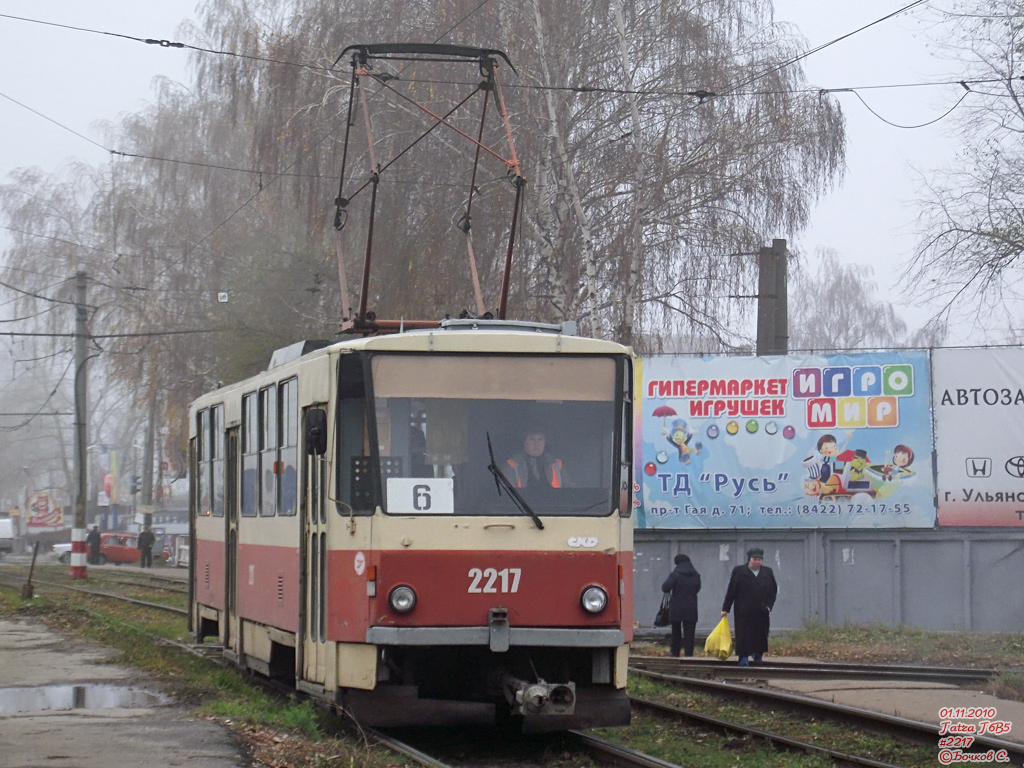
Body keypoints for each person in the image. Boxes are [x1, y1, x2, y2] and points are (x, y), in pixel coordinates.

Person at [721, 547, 778, 667]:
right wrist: (725, 608)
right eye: (755, 559)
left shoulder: (767, 572)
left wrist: (769, 606)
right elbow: (731, 591)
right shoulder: (739, 571)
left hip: (761, 611)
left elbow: (773, 591)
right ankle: (743, 659)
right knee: (744, 635)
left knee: (761, 635)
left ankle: (758, 656)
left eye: (759, 559)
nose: (757, 562)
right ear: (749, 560)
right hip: (743, 611)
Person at [661, 553, 701, 657]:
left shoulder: (676, 574)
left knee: (676, 631)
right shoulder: (696, 575)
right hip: (691, 607)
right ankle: (688, 655)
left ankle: (675, 653)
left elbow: (665, 588)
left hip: (677, 607)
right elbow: (697, 589)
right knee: (690, 633)